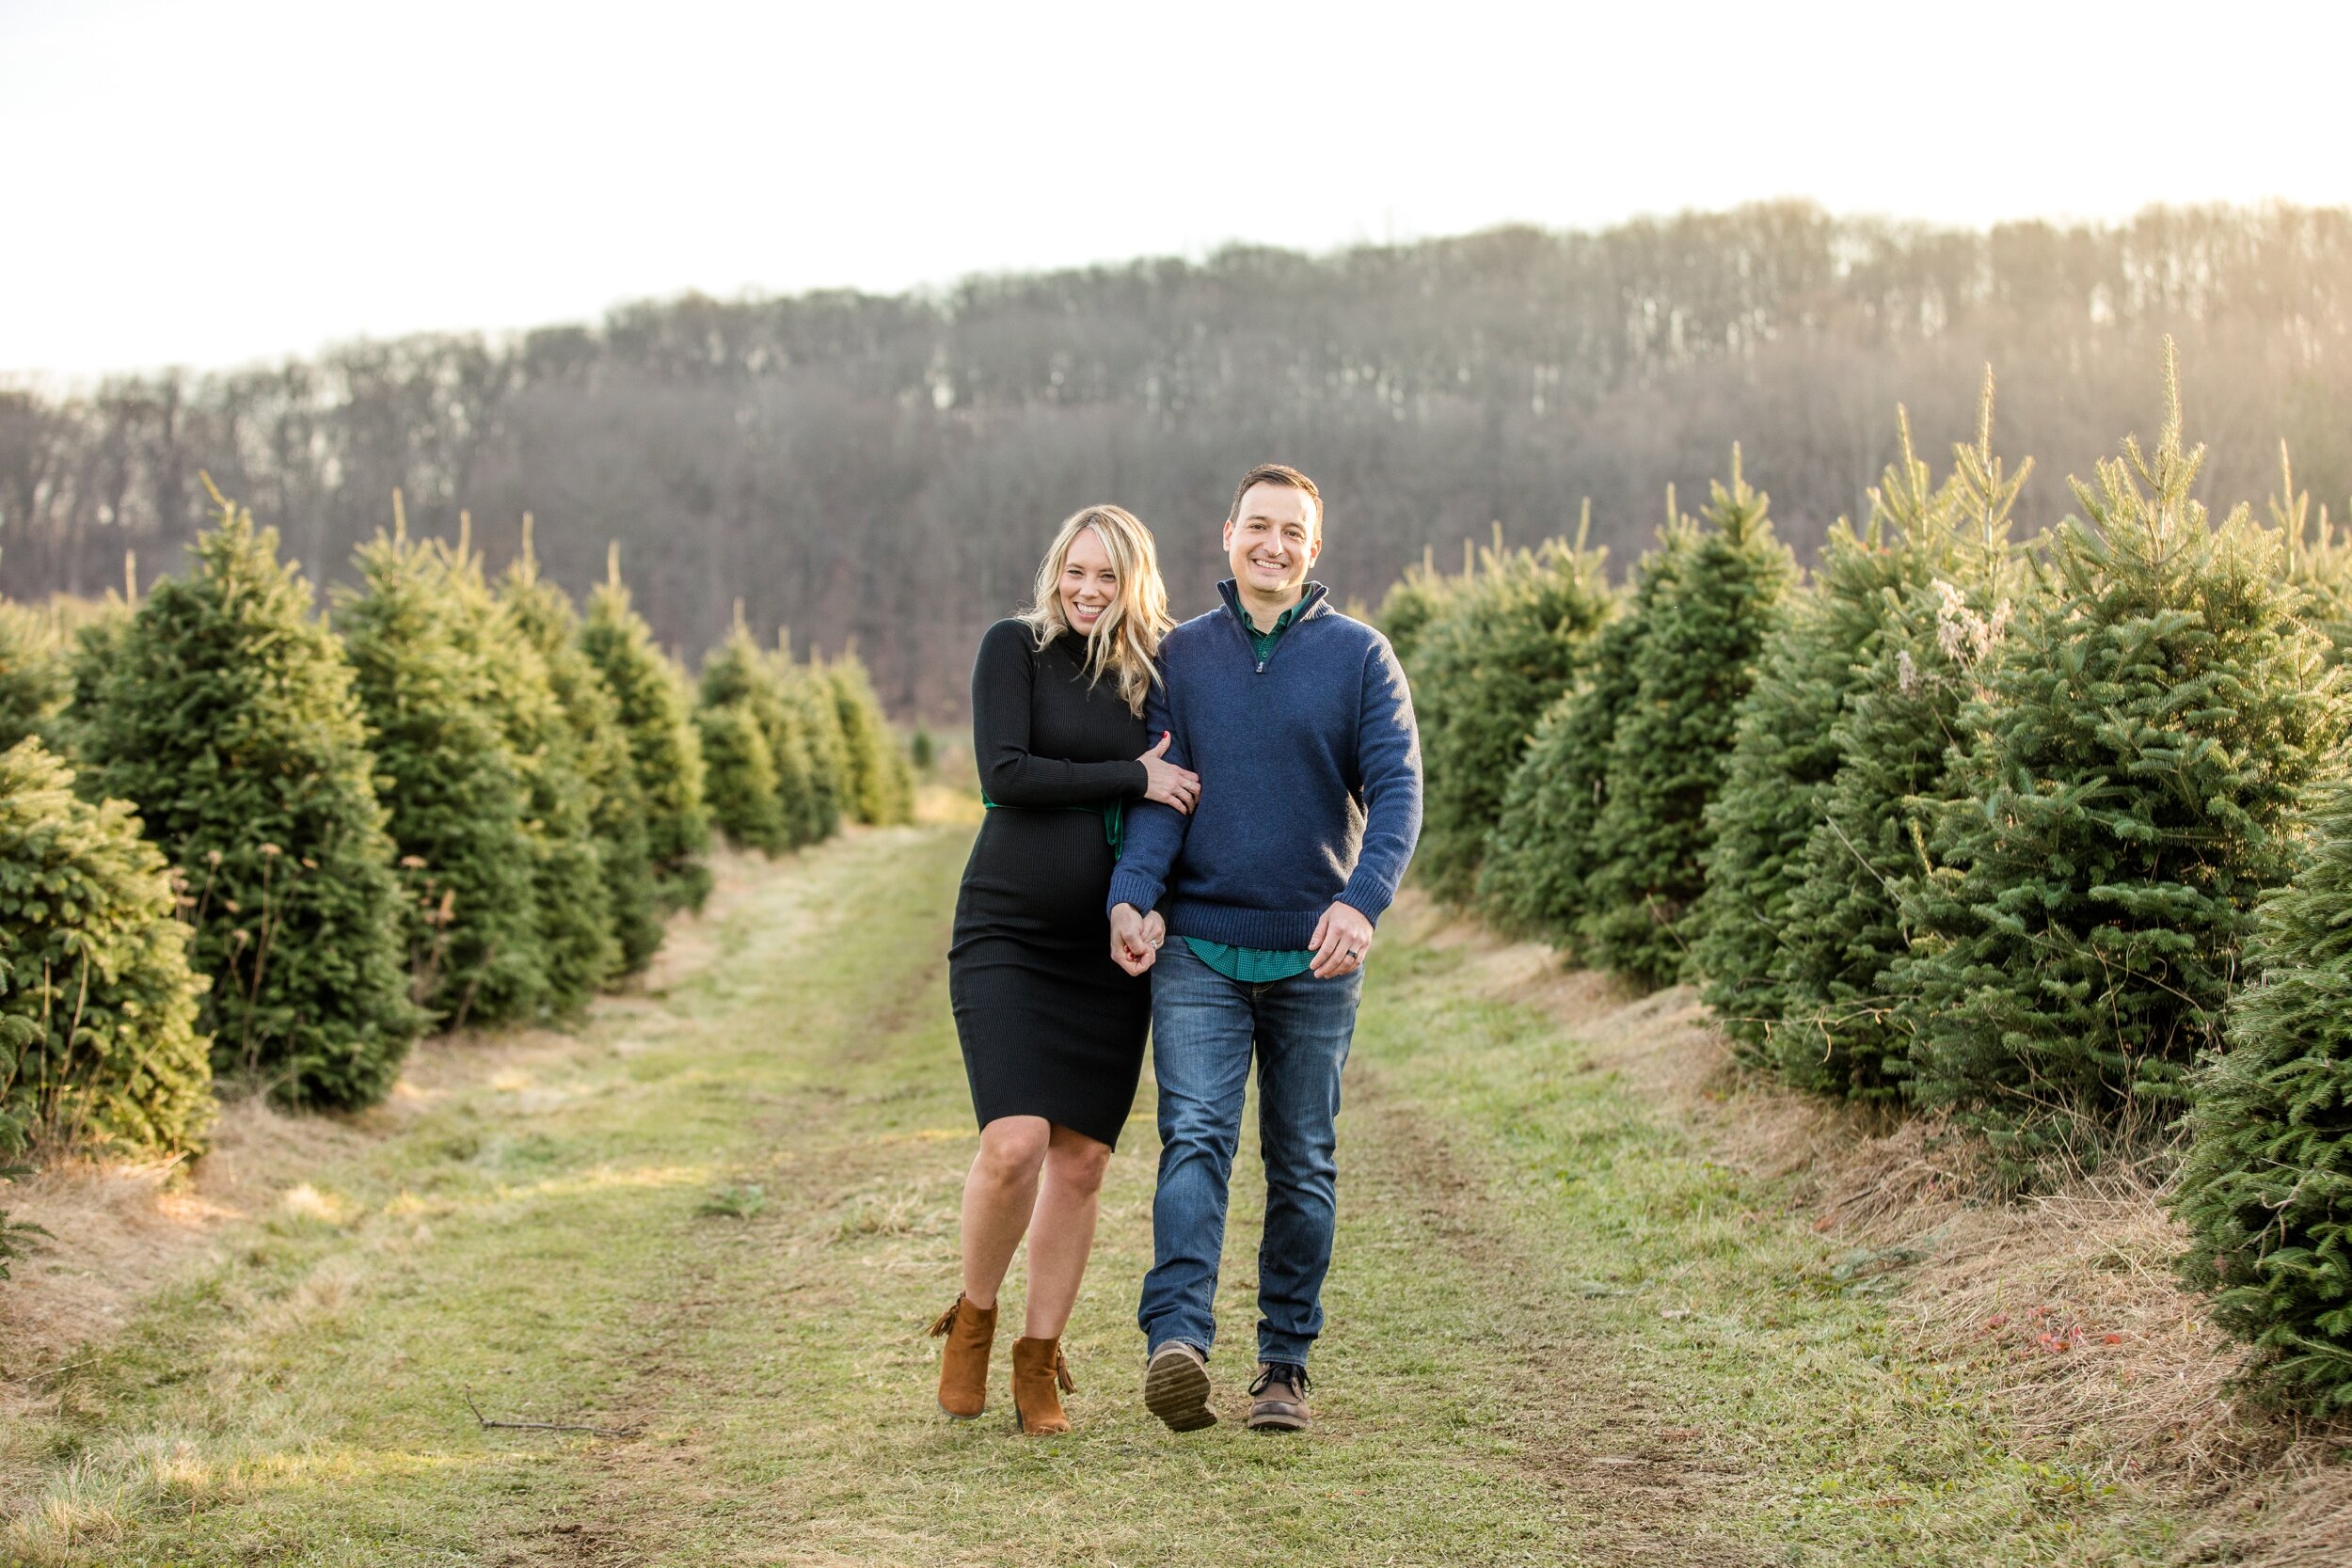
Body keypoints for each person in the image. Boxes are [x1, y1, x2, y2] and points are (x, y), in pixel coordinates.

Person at [1106, 463, 1422, 1434]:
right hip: (1198, 945)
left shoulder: (1361, 657)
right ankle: (1178, 1342)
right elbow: (1163, 796)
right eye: (1259, 527)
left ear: (1313, 549)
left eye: (1293, 531)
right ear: (1228, 533)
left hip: (1314, 956)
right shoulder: (1180, 657)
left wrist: (1361, 902)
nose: (1273, 544)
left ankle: (1283, 1363)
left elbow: (1398, 794)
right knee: (1193, 1136)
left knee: (1303, 1157)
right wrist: (1132, 895)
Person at [930, 504, 1199, 1435]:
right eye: (1076, 570)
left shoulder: (1155, 673)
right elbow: (1006, 771)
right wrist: (1131, 773)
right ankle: (973, 1315)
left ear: (1135, 582)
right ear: (1056, 569)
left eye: (1107, 576)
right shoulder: (1015, 647)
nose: (1088, 589)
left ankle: (1038, 1362)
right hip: (1006, 928)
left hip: (1105, 950)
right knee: (1013, 1140)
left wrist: (1150, 902)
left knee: (1079, 1159)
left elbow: (1184, 799)